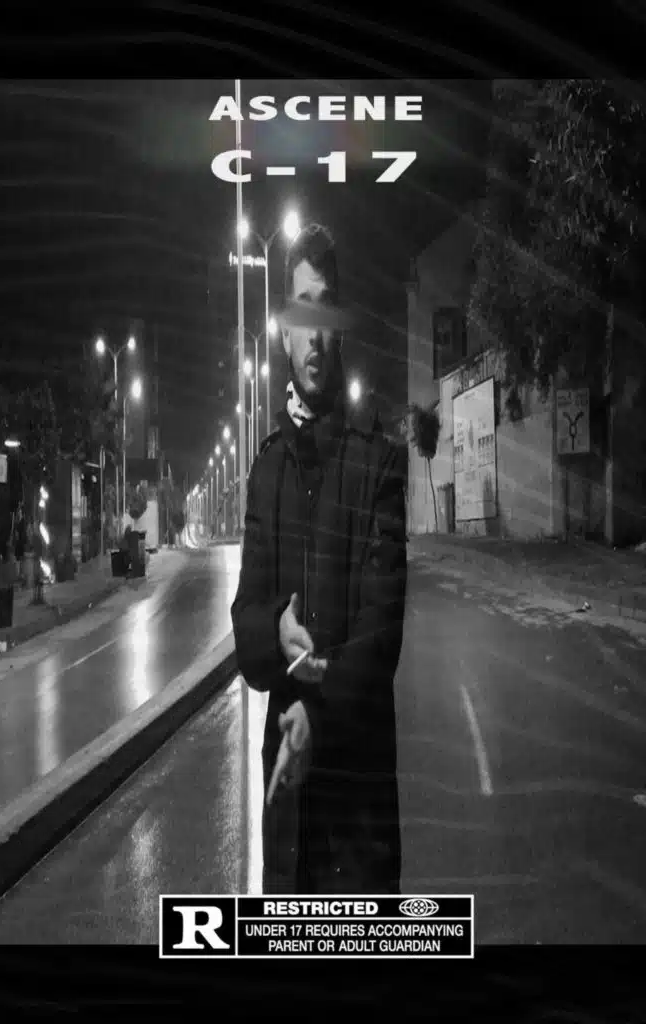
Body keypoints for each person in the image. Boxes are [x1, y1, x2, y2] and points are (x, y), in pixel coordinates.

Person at [230, 223, 409, 895]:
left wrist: (318, 715)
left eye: (326, 309)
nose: (314, 334)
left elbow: (380, 636)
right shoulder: (266, 471)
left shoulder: (378, 463)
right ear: (284, 330)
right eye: (301, 311)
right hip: (290, 816)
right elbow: (245, 624)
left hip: (359, 817)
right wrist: (275, 629)